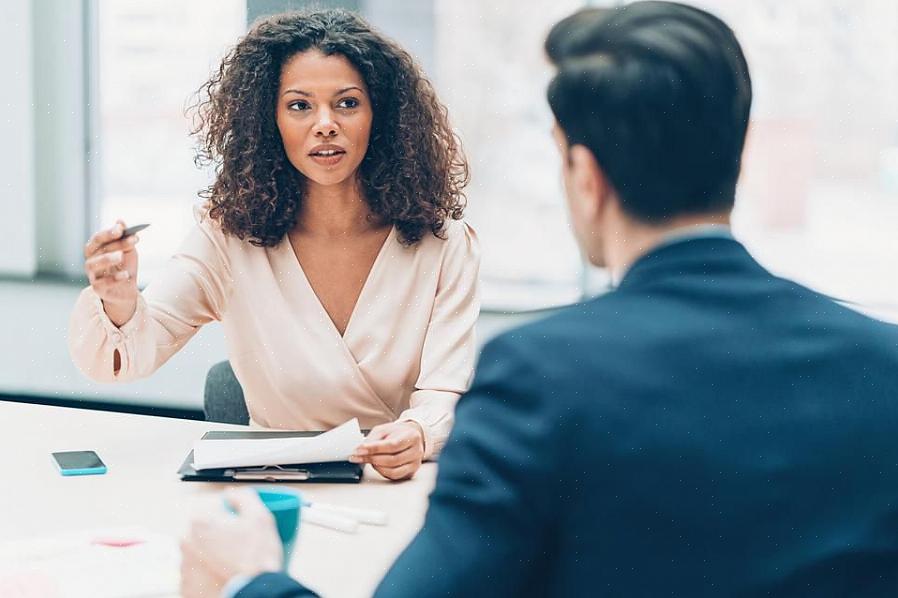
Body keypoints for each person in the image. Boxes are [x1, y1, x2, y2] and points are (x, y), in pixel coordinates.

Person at [181, 2, 898, 596]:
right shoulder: (883, 366)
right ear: (735, 156)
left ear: (585, 176)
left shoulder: (540, 380)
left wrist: (251, 580)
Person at [68, 10, 480, 481]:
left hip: (395, 480)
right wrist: (119, 301)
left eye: (347, 103)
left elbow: (444, 394)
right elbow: (128, 358)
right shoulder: (228, 236)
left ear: (381, 117)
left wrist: (418, 434)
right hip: (273, 482)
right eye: (300, 106)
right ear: (269, 120)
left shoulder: (443, 242)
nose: (325, 124)